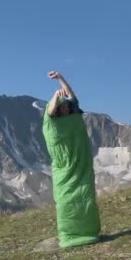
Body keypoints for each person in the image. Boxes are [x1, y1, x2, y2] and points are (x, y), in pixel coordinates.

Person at [42, 71, 101, 248]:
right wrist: (55, 98)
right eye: (63, 107)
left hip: (81, 165)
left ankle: (89, 232)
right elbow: (50, 112)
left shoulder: (74, 115)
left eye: (66, 106)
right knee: (66, 200)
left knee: (86, 197)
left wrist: (60, 78)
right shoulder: (52, 123)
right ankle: (69, 235)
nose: (66, 108)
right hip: (64, 170)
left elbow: (71, 96)